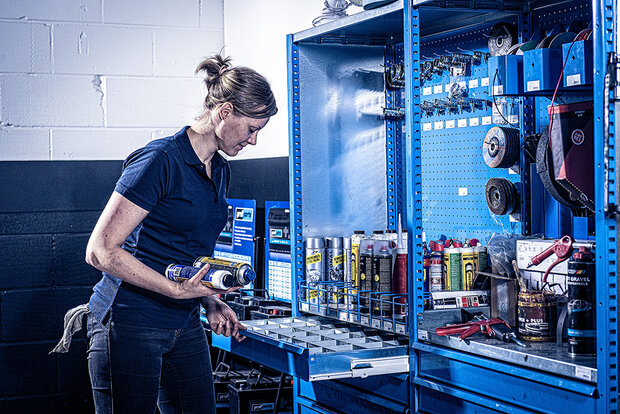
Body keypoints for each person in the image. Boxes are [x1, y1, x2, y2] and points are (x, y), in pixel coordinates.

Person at [83, 54, 277, 413]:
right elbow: (100, 251)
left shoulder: (218, 169)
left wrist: (208, 299)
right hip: (129, 322)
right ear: (225, 112)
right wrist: (175, 289)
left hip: (183, 323)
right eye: (252, 129)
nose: (253, 142)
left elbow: (186, 252)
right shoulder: (160, 161)